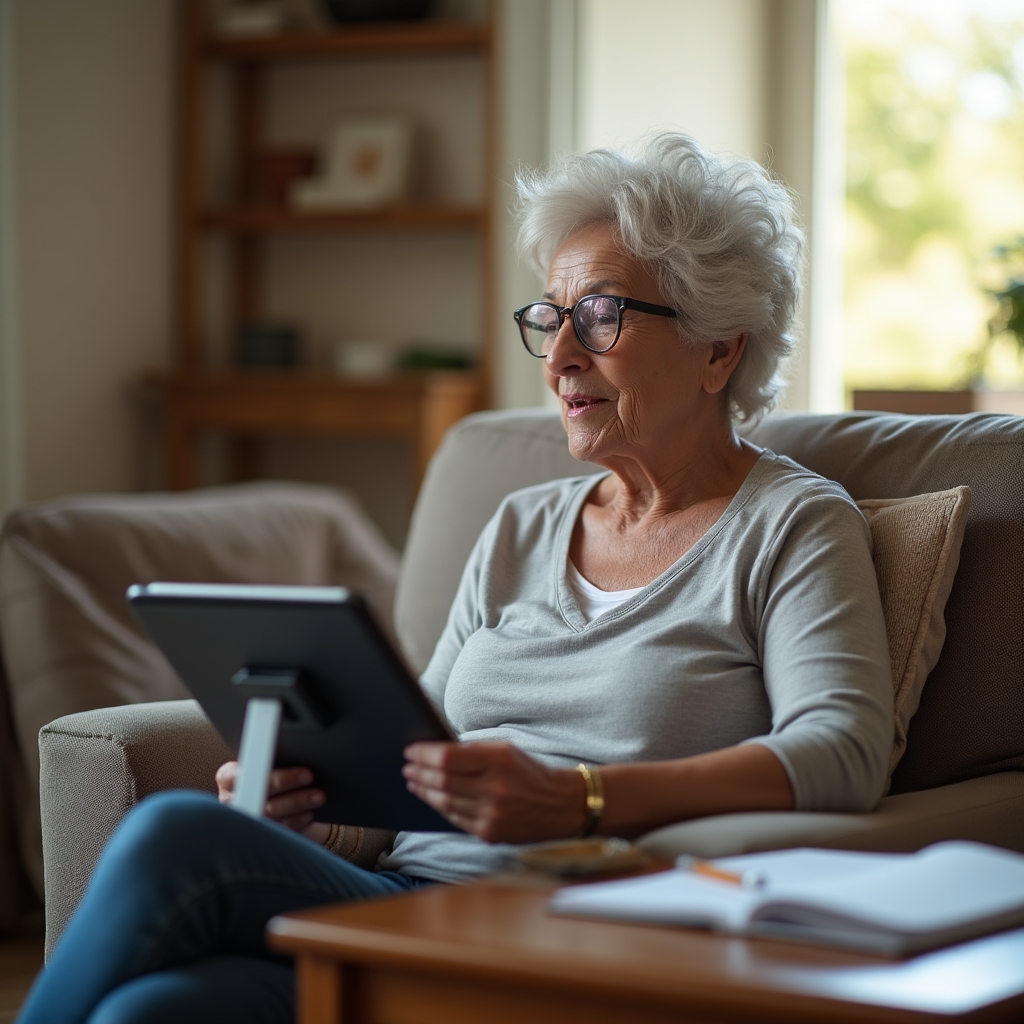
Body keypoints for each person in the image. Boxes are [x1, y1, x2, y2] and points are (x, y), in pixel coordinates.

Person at [18, 134, 894, 1024]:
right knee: (154, 1010)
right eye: (551, 320)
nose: (558, 361)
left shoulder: (793, 525)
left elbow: (844, 754)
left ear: (719, 350)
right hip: (401, 902)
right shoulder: (523, 525)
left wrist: (581, 799)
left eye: (600, 316)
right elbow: (413, 779)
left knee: (175, 836)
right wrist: (315, 816)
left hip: (565, 919)